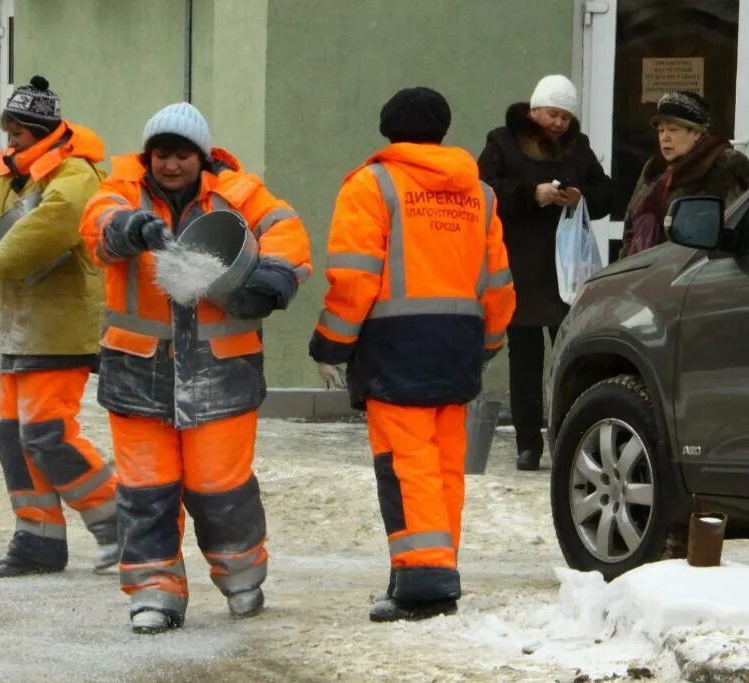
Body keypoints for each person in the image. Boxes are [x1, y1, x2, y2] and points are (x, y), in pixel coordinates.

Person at [80, 102, 311, 634]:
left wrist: (277, 274)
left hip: (220, 373)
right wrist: (130, 228)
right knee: (145, 491)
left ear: (201, 158)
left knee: (220, 487)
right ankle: (153, 593)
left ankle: (242, 578)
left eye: (182, 154)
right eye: (161, 154)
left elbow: (286, 232)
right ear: (148, 157)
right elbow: (96, 229)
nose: (171, 165)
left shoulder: (242, 195)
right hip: (139, 372)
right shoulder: (121, 191)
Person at [309, 87, 515, 622]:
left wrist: (331, 344)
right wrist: (488, 344)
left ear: (387, 128)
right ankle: (437, 570)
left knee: (407, 467)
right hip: (459, 347)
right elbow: (497, 286)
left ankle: (422, 582)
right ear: (443, 130)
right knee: (446, 466)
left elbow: (354, 276)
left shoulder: (372, 185)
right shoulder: (480, 194)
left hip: (396, 348)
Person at [0, 75, 119, 577]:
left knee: (46, 433)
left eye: (19, 131)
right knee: (12, 436)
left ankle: (120, 522)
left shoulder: (76, 175)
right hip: (16, 327)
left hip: (59, 328)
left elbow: (44, 230)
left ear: (44, 131)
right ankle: (37, 540)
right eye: (9, 130)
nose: (10, 139)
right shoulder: (13, 175)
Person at [477, 74, 613, 471]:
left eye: (566, 118)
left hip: (565, 268)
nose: (559, 124)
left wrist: (580, 196)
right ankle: (527, 443)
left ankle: (571, 439)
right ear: (534, 110)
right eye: (553, 114)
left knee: (572, 357)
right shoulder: (502, 141)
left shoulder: (579, 147)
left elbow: (606, 193)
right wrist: (531, 195)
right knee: (525, 359)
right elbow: (485, 191)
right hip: (519, 264)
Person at [619, 91, 749, 259]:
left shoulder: (724, 165)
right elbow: (630, 227)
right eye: (661, 131)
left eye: (673, 130)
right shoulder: (655, 169)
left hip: (698, 274)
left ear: (696, 133)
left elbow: (742, 228)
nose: (664, 138)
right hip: (644, 271)